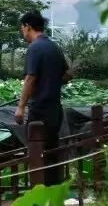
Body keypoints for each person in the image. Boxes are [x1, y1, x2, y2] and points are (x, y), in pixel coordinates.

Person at [14, 10, 71, 186]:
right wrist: (51, 82)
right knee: (52, 153)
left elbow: (30, 78)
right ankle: (53, 190)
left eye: (22, 28)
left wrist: (21, 107)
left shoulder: (34, 48)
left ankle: (40, 191)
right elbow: (67, 74)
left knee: (37, 153)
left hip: (39, 111)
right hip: (55, 110)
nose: (22, 32)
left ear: (27, 26)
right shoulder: (53, 46)